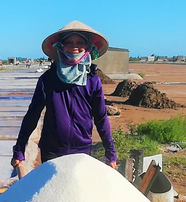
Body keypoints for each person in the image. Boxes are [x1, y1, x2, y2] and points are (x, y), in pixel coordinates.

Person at [11, 20, 117, 170]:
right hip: (52, 150)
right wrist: (19, 149)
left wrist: (110, 152)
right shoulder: (48, 79)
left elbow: (100, 117)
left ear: (88, 47)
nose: (74, 47)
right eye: (69, 42)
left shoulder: (92, 80)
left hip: (82, 150)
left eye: (80, 42)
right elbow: (32, 115)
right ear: (60, 46)